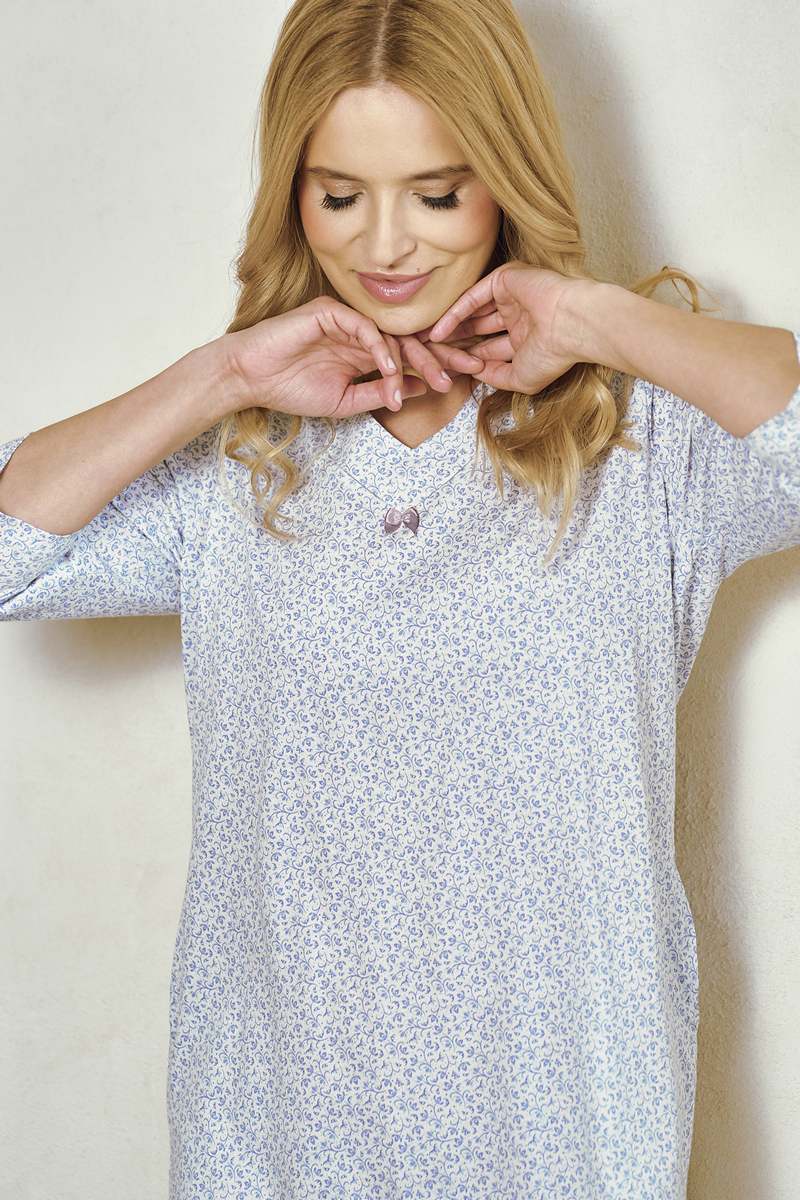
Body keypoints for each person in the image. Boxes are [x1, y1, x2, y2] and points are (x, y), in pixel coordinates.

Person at [1, 0, 799, 1195]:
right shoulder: (239, 463)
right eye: (339, 196)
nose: (385, 244)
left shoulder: (641, 449)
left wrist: (594, 317)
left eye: (436, 193)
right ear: (292, 196)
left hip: (567, 1123)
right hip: (283, 1127)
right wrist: (222, 373)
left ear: (503, 182)